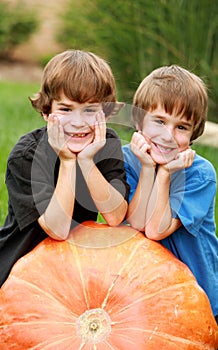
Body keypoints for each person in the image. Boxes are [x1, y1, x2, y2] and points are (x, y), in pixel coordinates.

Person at [0, 49, 129, 286]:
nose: (78, 122)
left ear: (105, 112)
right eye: (66, 109)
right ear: (47, 110)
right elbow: (57, 230)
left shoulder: (107, 144)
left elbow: (115, 215)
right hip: (18, 269)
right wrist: (68, 161)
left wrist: (88, 161)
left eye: (90, 110)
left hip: (72, 268)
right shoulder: (26, 155)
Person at [122, 65, 218, 323]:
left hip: (197, 301)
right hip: (141, 297)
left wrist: (164, 174)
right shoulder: (124, 161)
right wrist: (146, 167)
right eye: (160, 121)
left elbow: (155, 230)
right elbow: (137, 223)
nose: (168, 136)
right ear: (139, 120)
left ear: (194, 133)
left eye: (182, 127)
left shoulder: (200, 175)